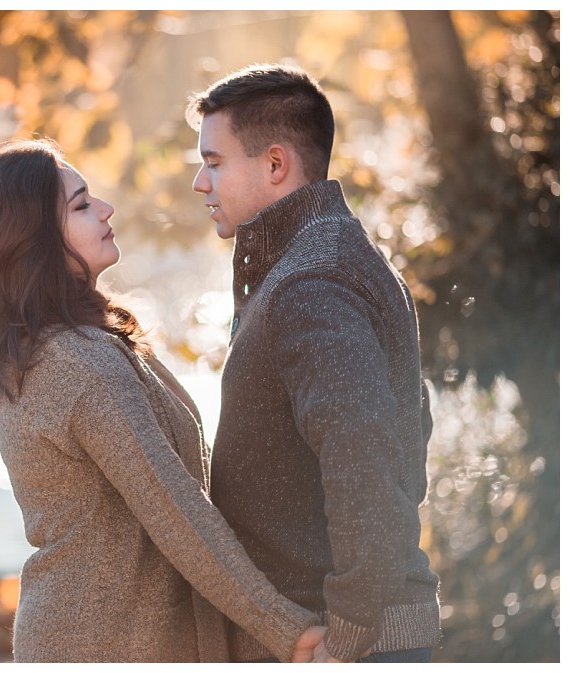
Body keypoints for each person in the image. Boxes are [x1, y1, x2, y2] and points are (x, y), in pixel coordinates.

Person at [0, 138, 325, 663]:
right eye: (80, 205)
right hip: (103, 645)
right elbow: (175, 508)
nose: (105, 209)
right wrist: (286, 628)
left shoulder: (71, 344)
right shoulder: (76, 362)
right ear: (30, 241)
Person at [185, 63, 442, 663]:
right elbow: (412, 429)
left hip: (333, 644)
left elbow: (364, 449)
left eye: (214, 162)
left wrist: (347, 634)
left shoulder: (311, 281)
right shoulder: (330, 258)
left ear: (275, 165)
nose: (201, 183)